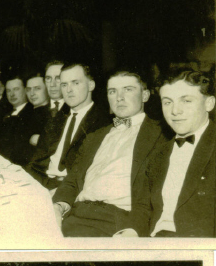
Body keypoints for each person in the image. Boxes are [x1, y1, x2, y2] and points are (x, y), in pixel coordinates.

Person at [53, 69, 163, 236]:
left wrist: (133, 229)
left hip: (117, 221)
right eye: (112, 91)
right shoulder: (94, 136)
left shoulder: (161, 135)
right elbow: (73, 180)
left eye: (128, 89)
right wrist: (58, 206)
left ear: (145, 95)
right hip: (75, 214)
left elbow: (154, 196)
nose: (119, 97)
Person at [129, 69, 216, 237]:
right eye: (167, 102)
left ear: (209, 103)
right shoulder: (158, 152)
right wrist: (131, 231)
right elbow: (143, 206)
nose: (175, 111)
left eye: (186, 101)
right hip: (155, 243)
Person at [27, 63, 109, 190]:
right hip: (41, 183)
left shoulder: (102, 123)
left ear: (91, 85)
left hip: (70, 189)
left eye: (75, 83)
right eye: (64, 84)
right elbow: (36, 161)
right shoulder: (58, 118)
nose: (68, 90)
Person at [0, 75, 35, 166]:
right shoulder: (7, 113)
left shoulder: (31, 114)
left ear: (25, 90)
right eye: (8, 90)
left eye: (16, 89)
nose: (12, 94)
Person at [25, 74, 51, 147]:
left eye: (37, 88)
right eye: (28, 89)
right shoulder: (27, 113)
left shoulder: (51, 114)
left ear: (47, 89)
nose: (32, 93)